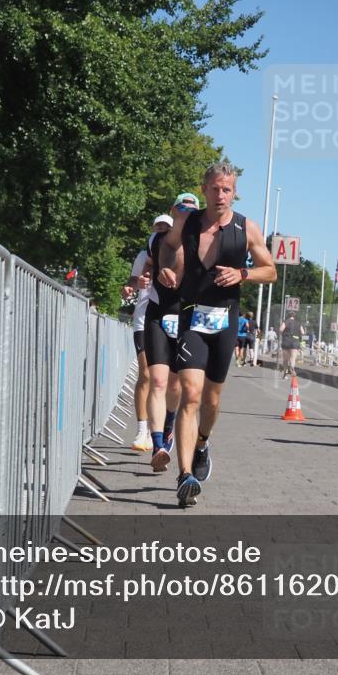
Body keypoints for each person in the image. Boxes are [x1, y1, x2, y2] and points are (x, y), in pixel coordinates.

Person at [158, 162, 277, 507]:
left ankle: (202, 443)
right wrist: (165, 267)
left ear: (234, 193)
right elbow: (168, 245)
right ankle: (185, 476)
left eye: (227, 190)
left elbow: (270, 271)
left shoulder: (246, 227)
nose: (221, 195)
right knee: (191, 395)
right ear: (205, 189)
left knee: (211, 400)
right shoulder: (187, 221)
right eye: (215, 188)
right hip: (191, 316)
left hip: (226, 322)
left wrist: (243, 274)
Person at [145, 195, 200, 472]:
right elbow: (145, 264)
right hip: (157, 312)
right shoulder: (156, 240)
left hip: (185, 318)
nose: (186, 213)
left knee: (176, 387)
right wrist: (146, 276)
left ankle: (169, 424)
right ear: (172, 211)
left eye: (192, 210)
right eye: (182, 208)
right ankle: (158, 446)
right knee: (157, 380)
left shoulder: (202, 245)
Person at [123, 240, 154, 452]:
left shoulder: (183, 251)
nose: (161, 230)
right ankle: (142, 429)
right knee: (146, 374)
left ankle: (158, 429)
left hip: (170, 321)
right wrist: (130, 288)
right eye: (157, 227)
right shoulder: (144, 256)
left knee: (165, 380)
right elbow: (133, 280)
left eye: (165, 228)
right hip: (143, 320)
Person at [280, 312, 302, 378]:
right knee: (293, 358)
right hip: (295, 342)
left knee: (285, 359)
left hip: (286, 341)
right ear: (294, 316)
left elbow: (281, 329)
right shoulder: (298, 323)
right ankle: (292, 367)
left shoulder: (286, 321)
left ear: (288, 316)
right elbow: (303, 332)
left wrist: (283, 334)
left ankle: (285, 374)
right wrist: (298, 334)